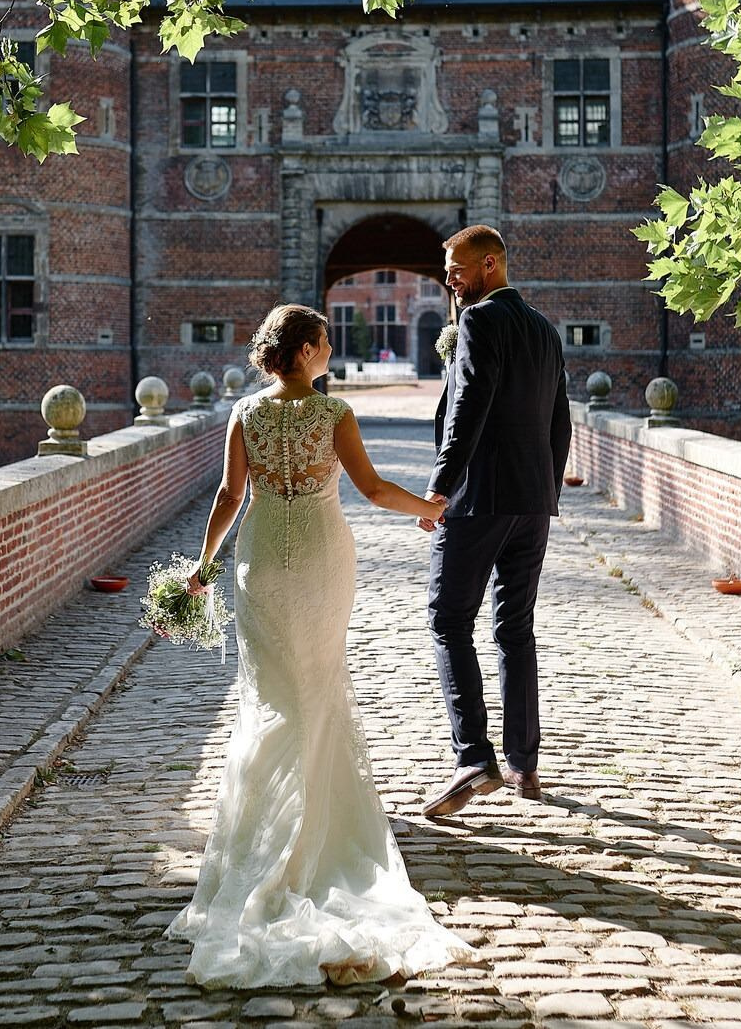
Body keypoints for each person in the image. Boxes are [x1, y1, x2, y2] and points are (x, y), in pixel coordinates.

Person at [167, 303, 473, 988]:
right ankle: (316, 842)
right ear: (305, 350)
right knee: (317, 689)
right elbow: (368, 488)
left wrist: (203, 563)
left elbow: (228, 495)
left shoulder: (246, 414)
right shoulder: (333, 416)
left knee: (274, 696)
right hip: (321, 557)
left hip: (259, 565)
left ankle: (263, 844)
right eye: (326, 338)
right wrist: (430, 509)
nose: (333, 345)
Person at [420, 226, 571, 817]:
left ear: (489, 265)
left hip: (478, 498)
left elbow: (470, 404)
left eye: (456, 269)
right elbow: (559, 420)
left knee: (448, 618)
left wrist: (440, 484)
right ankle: (524, 765)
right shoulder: (544, 328)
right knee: (515, 628)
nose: (450, 280)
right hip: (532, 503)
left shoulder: (481, 320)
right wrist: (547, 488)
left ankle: (473, 759)